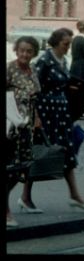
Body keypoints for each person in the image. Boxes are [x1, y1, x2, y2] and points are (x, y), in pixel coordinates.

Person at [30, 28, 84, 210]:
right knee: (41, 153)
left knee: (66, 153)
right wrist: (36, 116)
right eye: (65, 44)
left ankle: (74, 194)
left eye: (69, 44)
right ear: (56, 42)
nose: (68, 48)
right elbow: (34, 89)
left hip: (61, 113)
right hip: (47, 114)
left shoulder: (63, 61)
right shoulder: (45, 61)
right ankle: (25, 197)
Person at [6, 36, 41, 227]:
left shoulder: (33, 69)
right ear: (16, 50)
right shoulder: (9, 68)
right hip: (12, 126)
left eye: (29, 51)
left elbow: (35, 96)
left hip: (27, 127)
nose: (25, 54)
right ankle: (6, 211)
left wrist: (37, 119)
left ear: (34, 52)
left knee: (23, 168)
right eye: (22, 50)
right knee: (10, 169)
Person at [69, 21, 84, 123]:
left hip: (74, 65)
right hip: (82, 67)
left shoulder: (74, 39)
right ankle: (82, 110)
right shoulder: (83, 40)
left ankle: (75, 109)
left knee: (75, 88)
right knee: (83, 89)